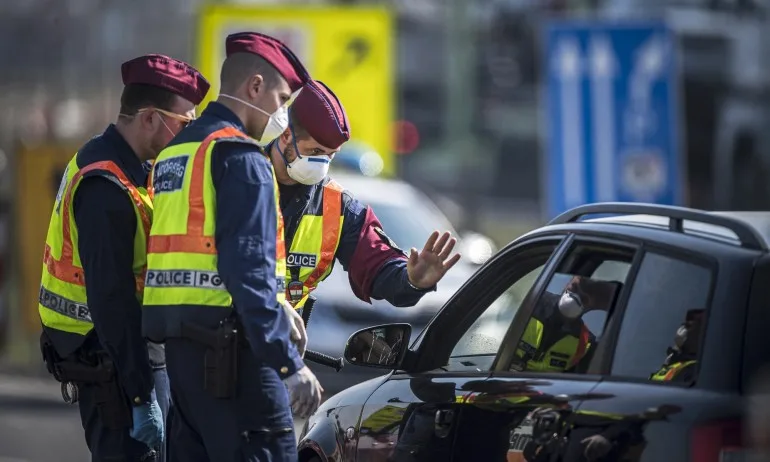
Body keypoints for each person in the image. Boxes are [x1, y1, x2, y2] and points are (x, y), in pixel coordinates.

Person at [141, 32, 322, 462]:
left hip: (182, 365)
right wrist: (287, 364)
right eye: (281, 100)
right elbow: (248, 272)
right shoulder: (241, 157)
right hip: (235, 363)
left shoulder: (177, 152)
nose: (281, 115)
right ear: (254, 87)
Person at [38, 54, 209, 462]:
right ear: (150, 118)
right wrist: (139, 394)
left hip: (120, 357)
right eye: (185, 122)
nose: (189, 132)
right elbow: (111, 299)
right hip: (113, 363)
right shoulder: (106, 186)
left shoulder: (129, 167)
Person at [262, 79, 461, 319]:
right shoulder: (237, 178)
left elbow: (376, 262)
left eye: (330, 156)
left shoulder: (337, 207)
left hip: (279, 346)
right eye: (315, 152)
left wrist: (410, 280)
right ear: (285, 135)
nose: (321, 165)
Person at [512, 276, 621, 373]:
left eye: (584, 298)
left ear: (596, 306)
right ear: (569, 282)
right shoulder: (530, 304)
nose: (574, 297)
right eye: (574, 288)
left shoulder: (584, 344)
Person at [649, 309, 703, 382]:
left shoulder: (693, 370)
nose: (682, 331)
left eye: (688, 326)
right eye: (684, 325)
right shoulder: (675, 361)